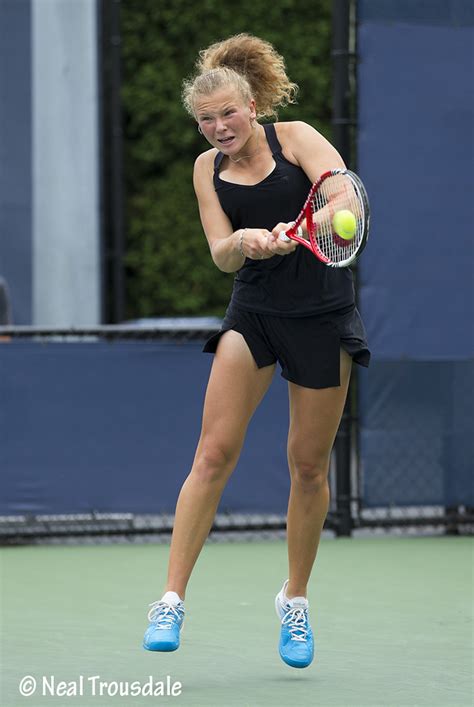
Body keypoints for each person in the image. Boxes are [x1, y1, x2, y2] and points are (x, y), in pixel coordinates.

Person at [143, 33, 370, 669]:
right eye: (206, 119)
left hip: (324, 315)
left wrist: (332, 210)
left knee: (308, 467)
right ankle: (169, 598)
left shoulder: (294, 137)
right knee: (213, 453)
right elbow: (219, 254)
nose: (218, 127)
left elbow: (342, 187)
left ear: (252, 107)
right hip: (254, 314)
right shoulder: (204, 169)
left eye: (228, 114)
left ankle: (294, 601)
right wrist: (245, 239)